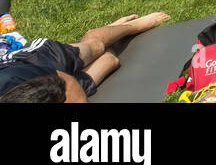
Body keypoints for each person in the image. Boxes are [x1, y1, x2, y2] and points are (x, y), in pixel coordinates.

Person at [0, 11, 171, 101]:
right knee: (110, 60)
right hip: (34, 90)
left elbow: (63, 80)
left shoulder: (12, 78)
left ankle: (132, 26)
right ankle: (109, 32)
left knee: (95, 46)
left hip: (39, 59)